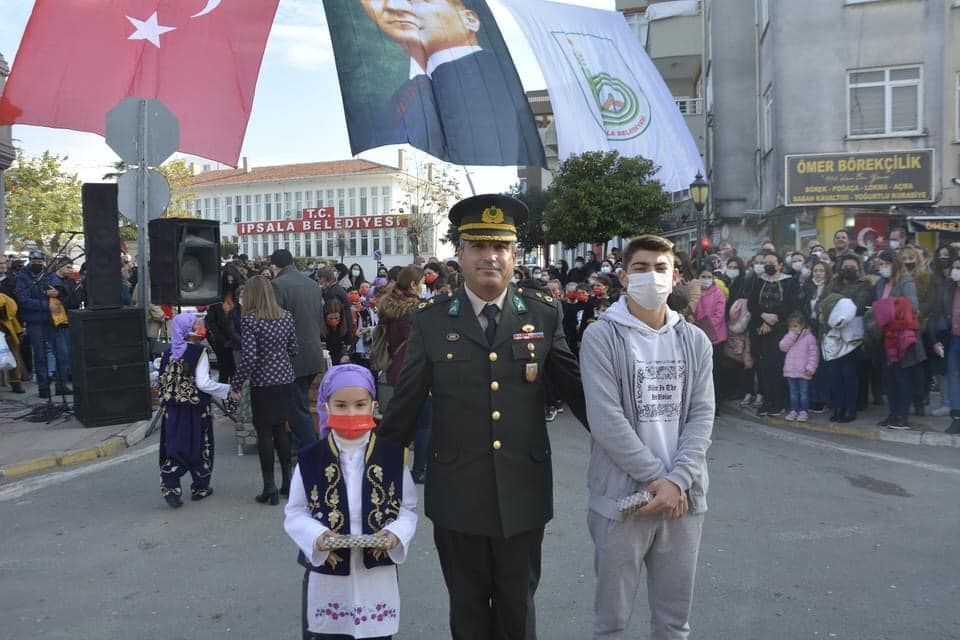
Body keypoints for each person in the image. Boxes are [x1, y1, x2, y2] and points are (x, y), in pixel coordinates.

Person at [378, 194, 587, 639]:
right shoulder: (431, 320)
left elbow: (578, 392)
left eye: (501, 247)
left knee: (517, 608)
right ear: (461, 253)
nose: (490, 256)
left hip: (523, 491)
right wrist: (367, 467)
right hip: (457, 495)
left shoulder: (543, 315)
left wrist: (635, 450)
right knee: (468, 609)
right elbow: (407, 402)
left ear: (514, 255)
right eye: (478, 246)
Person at [579, 234, 713, 640]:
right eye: (640, 268)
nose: (650, 276)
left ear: (675, 277)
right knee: (612, 623)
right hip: (623, 500)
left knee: (674, 623)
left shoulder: (695, 340)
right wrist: (659, 479)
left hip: (682, 502)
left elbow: (702, 415)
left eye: (660, 268)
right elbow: (606, 421)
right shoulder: (601, 337)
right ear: (623, 276)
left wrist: (677, 481)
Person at [284, 365, 417, 639]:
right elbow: (295, 511)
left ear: (373, 406)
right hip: (328, 573)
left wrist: (395, 533)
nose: (351, 413)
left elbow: (407, 509)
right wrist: (317, 535)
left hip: (376, 575)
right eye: (341, 405)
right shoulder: (310, 458)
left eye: (360, 405)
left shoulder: (393, 456)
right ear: (326, 406)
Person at [356, 0, 544, 167]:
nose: (394, 6)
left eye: (421, 1)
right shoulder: (400, 97)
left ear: (469, 19)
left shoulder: (496, 77)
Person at [230, 275, 299, 505]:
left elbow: (249, 356)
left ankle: (269, 486)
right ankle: (287, 483)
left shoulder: (250, 320)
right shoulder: (286, 317)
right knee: (282, 430)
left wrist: (236, 384)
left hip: (263, 382)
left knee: (265, 433)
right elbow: (294, 348)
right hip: (285, 380)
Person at [156, 313, 231, 508]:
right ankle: (200, 486)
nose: (199, 328)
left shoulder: (167, 353)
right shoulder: (199, 352)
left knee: (174, 446)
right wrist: (227, 390)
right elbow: (204, 383)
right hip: (196, 409)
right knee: (200, 444)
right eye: (196, 325)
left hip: (172, 410)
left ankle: (171, 488)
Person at [270, 249, 325, 448]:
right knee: (299, 402)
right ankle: (298, 444)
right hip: (313, 352)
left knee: (296, 406)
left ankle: (309, 448)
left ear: (274, 266)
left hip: (291, 356)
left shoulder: (277, 285)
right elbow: (319, 319)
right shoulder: (312, 284)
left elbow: (276, 323)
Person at [873, 250, 925, 430]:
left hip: (902, 336)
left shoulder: (905, 280)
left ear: (893, 263)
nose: (881, 268)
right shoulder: (880, 283)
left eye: (884, 264)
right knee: (889, 378)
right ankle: (893, 414)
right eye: (879, 264)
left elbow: (913, 305)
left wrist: (889, 308)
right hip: (886, 337)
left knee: (902, 377)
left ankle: (902, 415)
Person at [748, 252, 799, 417]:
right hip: (760, 328)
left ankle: (779, 402)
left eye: (772, 262)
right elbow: (752, 303)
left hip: (780, 328)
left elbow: (790, 304)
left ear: (780, 264)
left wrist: (773, 320)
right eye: (766, 263)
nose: (768, 265)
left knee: (777, 366)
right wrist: (763, 316)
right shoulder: (758, 281)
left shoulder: (789, 281)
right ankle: (767, 401)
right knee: (763, 367)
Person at [15, 251, 70, 398]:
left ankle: (61, 385)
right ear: (29, 260)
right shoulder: (22, 277)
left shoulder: (48, 275)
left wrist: (57, 293)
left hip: (53, 321)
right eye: (35, 260)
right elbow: (23, 300)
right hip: (35, 322)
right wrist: (46, 306)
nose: (38, 263)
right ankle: (43, 388)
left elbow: (63, 291)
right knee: (40, 356)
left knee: (62, 354)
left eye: (40, 260)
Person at [695, 267, 727, 412]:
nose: (706, 279)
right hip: (697, 336)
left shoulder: (718, 293)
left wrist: (704, 327)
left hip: (715, 337)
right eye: (703, 276)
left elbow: (719, 315)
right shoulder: (694, 292)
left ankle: (717, 403)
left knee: (715, 371)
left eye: (709, 276)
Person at [779, 311, 819, 422]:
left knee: (804, 393)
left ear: (803, 325)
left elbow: (814, 354)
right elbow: (782, 347)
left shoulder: (809, 337)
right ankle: (793, 410)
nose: (793, 328)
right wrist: (792, 335)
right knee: (793, 393)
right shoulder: (789, 336)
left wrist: (811, 367)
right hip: (791, 371)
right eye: (791, 326)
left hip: (803, 371)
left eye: (796, 326)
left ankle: (803, 411)